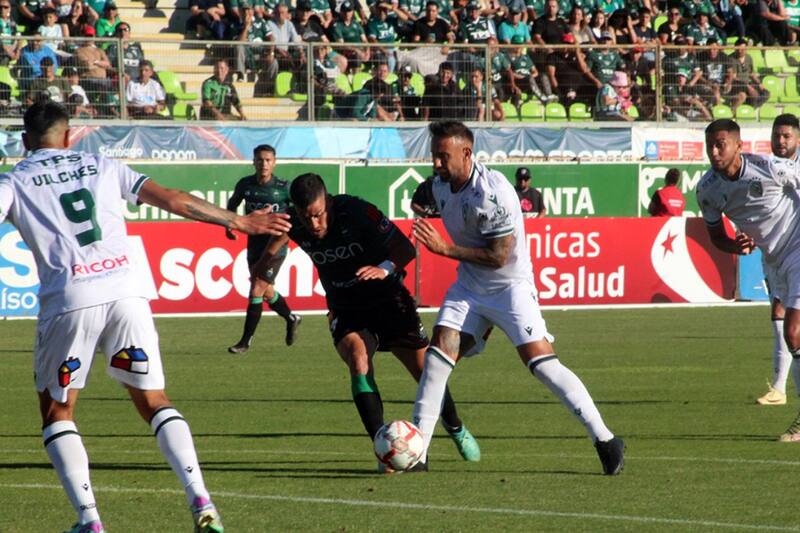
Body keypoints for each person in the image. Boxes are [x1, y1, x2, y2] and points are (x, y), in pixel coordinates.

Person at [0, 101, 292, 532]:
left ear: (25, 141)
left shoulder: (15, 179)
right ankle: (201, 501)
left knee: (59, 411)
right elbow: (174, 199)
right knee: (154, 400)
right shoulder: (101, 163)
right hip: (127, 294)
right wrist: (239, 222)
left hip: (70, 300)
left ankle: (90, 521)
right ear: (68, 135)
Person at [410, 121, 624, 474]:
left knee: (542, 366)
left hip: (510, 288)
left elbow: (498, 257)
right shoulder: (441, 184)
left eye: (442, 157)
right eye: (433, 156)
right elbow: (427, 195)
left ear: (467, 153)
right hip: (469, 287)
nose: (435, 164)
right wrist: (423, 203)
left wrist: (445, 249)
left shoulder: (493, 194)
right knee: (436, 357)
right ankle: (418, 453)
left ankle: (605, 440)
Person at [251, 173, 480, 471]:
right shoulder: (293, 221)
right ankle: (384, 450)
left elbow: (405, 249)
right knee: (358, 361)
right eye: (307, 218)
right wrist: (262, 268)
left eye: (319, 215)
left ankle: (455, 426)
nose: (315, 225)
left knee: (426, 372)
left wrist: (382, 268)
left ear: (328, 202)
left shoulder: (357, 211)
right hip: (346, 307)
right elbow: (267, 257)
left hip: (389, 299)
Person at [697, 118, 800, 441]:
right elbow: (716, 237)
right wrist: (734, 245)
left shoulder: (770, 168)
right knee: (791, 335)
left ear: (738, 145)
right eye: (710, 145)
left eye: (721, 144)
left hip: (798, 248)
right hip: (773, 261)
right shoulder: (708, 190)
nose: (715, 152)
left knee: (793, 331)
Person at [226, 144, 302, 354]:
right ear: (254, 162)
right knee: (266, 290)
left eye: (268, 160)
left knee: (257, 287)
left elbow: (299, 210)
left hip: (276, 244)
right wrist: (230, 224)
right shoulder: (245, 185)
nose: (264, 164)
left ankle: (245, 342)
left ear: (274, 162)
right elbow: (232, 205)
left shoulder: (283, 187)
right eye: (260, 160)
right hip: (254, 243)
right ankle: (291, 317)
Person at [756, 114, 800, 406]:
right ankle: (780, 388)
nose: (780, 141)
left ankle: (782, 389)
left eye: (786, 136)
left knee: (790, 324)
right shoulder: (766, 169)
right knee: (781, 318)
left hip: (796, 255)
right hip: (775, 255)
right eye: (777, 136)